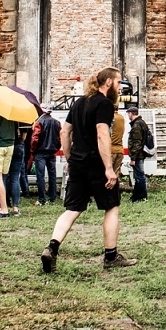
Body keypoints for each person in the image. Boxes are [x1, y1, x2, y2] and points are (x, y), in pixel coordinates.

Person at [42, 68, 131, 272]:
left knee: (72, 209)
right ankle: (111, 256)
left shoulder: (79, 102)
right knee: (112, 206)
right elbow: (102, 134)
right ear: (108, 82)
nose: (119, 87)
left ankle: (52, 248)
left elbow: (65, 131)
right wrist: (109, 168)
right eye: (118, 83)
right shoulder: (105, 103)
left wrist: (69, 158)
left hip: (78, 162)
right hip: (96, 163)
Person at [31, 106, 62, 205]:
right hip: (52, 152)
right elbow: (60, 138)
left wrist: (32, 149)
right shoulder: (57, 123)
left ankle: (42, 198)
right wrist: (56, 147)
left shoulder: (39, 122)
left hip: (40, 152)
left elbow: (35, 138)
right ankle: (52, 197)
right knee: (52, 175)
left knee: (40, 176)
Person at [124, 103, 152, 203]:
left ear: (131, 114)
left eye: (128, 114)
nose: (128, 116)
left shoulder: (136, 125)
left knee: (139, 176)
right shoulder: (142, 122)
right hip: (141, 154)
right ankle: (136, 196)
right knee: (138, 175)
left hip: (138, 155)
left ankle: (141, 196)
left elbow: (136, 143)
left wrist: (133, 158)